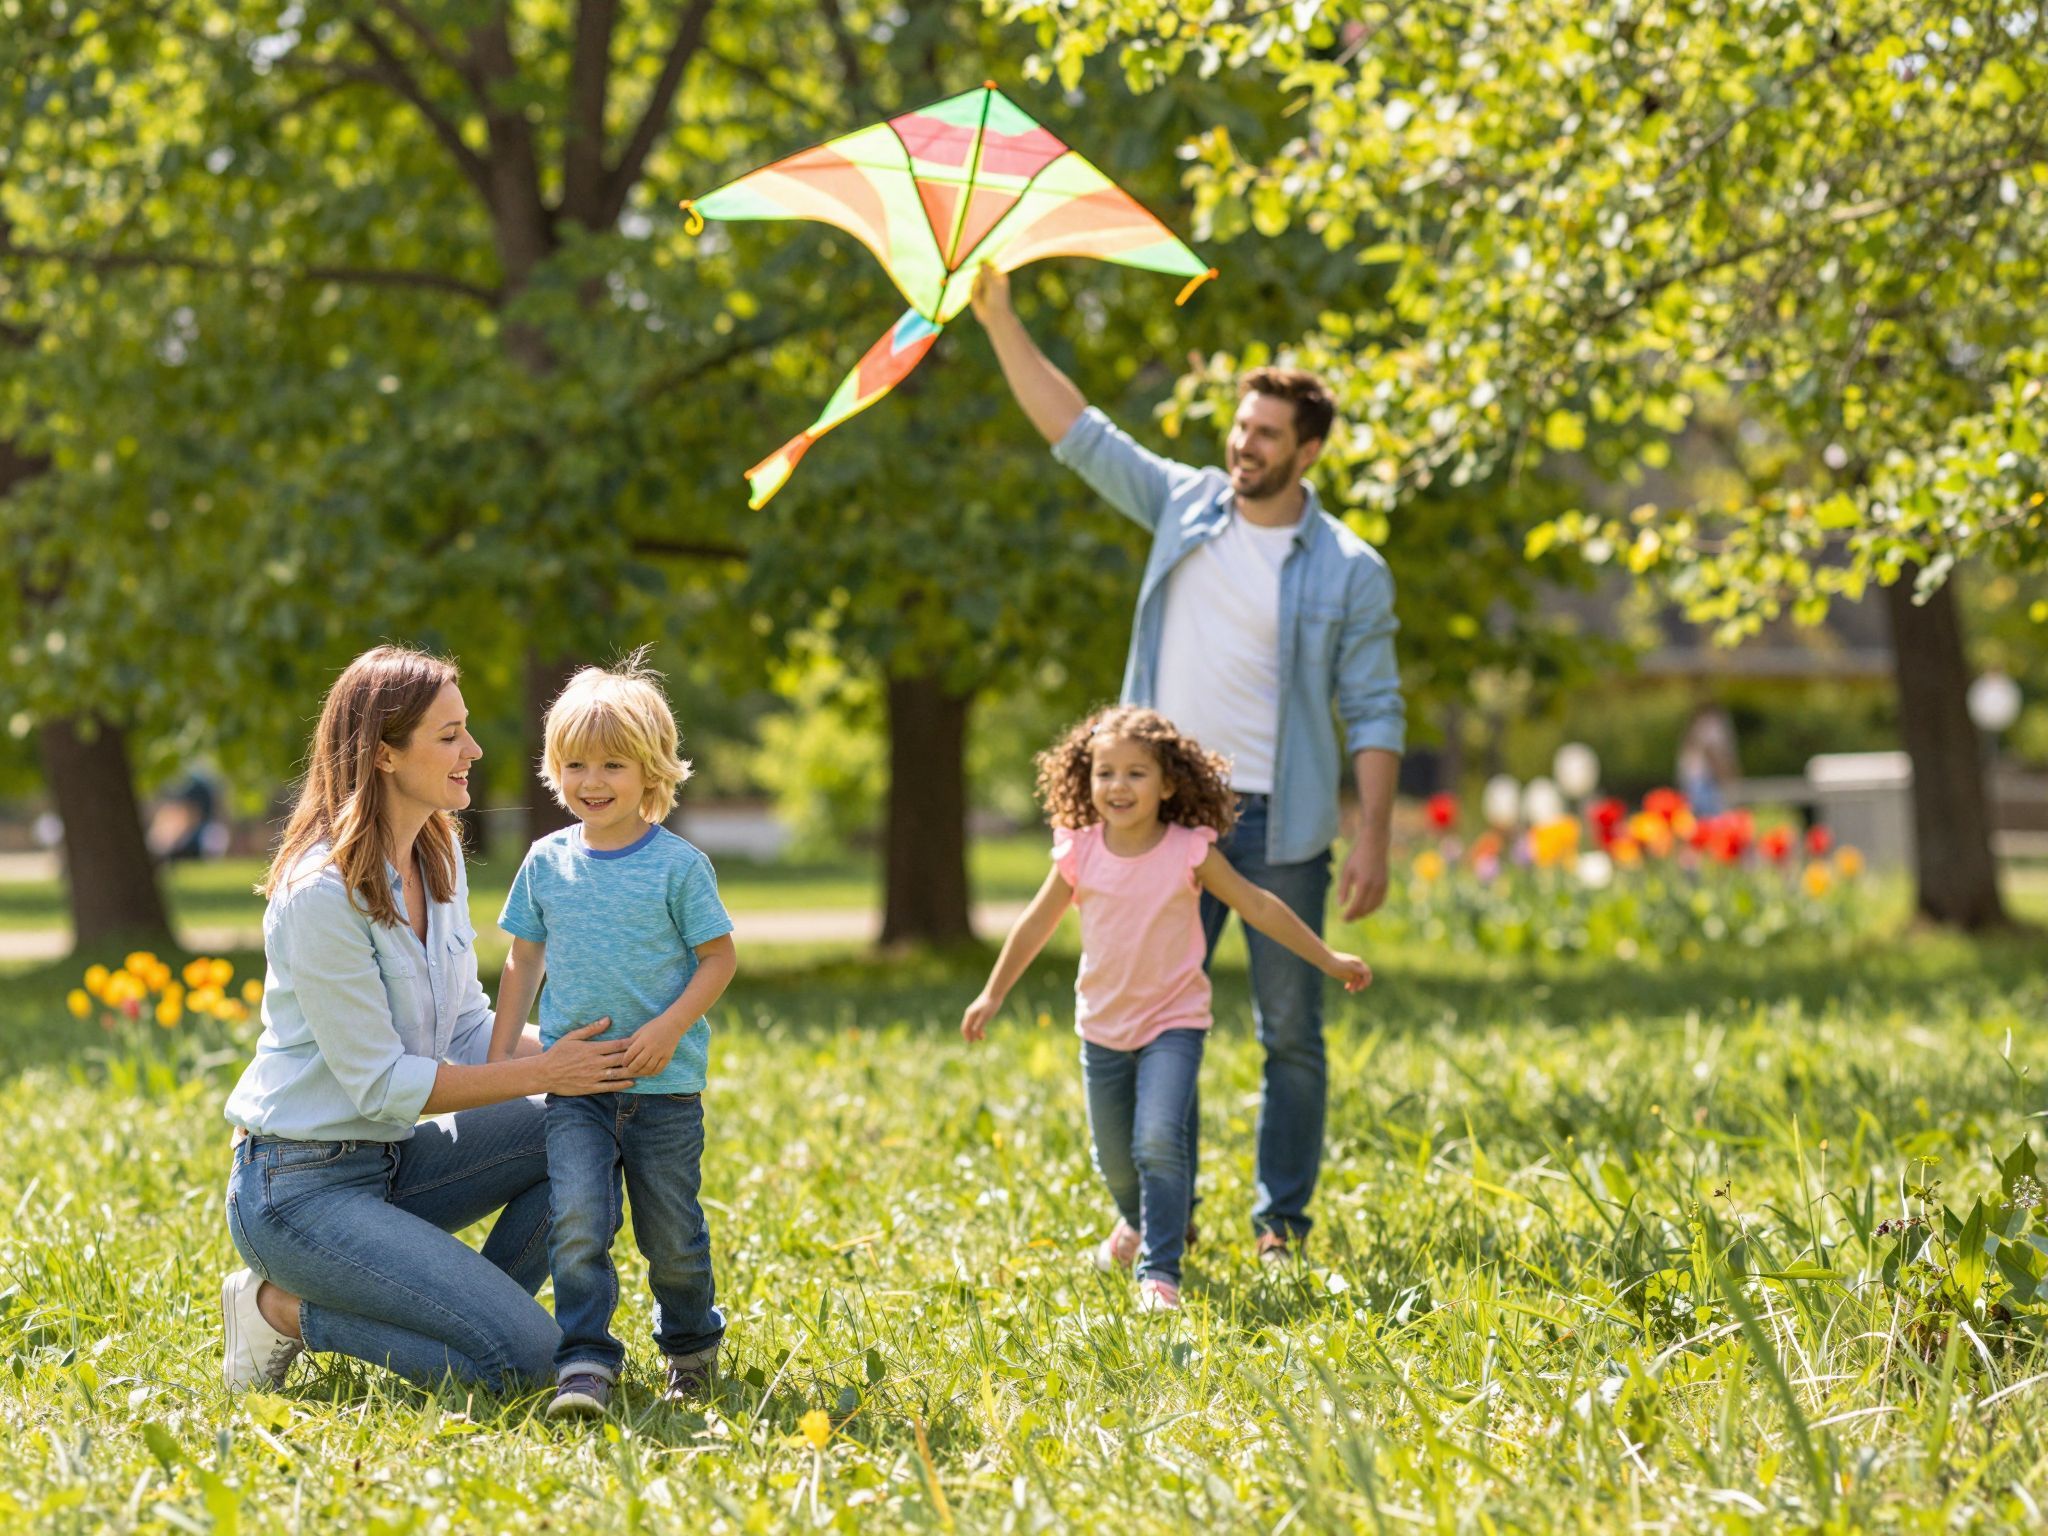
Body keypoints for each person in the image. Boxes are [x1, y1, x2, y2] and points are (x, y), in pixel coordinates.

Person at [971, 266, 1404, 1264]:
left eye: (1263, 434)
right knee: (1144, 1022)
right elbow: (1076, 432)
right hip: (1159, 820)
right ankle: (1157, 1216)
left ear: (1308, 449)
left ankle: (1279, 1224)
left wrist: (1372, 835)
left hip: (1279, 819)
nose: (1241, 446)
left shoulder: (1348, 568)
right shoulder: (1182, 506)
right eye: (1238, 427)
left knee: (1290, 1033)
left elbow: (1374, 707)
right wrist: (1001, 321)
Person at [222, 646, 635, 1393]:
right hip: (298, 1190)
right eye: (448, 736)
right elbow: (381, 1086)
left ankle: (466, 1316)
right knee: (535, 1368)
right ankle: (280, 1311)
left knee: (598, 1121)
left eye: (465, 730)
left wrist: (613, 1060)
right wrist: (545, 1072)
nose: (472, 750)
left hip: (397, 1163)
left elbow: (472, 1033)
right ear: (383, 753)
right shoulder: (319, 893)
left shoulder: (435, 855)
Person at [960, 707, 1371, 1312]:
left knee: (1157, 1139)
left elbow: (1258, 906)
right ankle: (1135, 1223)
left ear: (1169, 783)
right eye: (1105, 773)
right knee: (1115, 1160)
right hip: (1102, 1026)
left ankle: (1160, 1272)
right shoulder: (1079, 851)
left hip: (1173, 1023)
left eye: (1135, 773)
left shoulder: (1190, 851)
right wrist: (993, 992)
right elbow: (1034, 924)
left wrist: (1328, 957)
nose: (1118, 787)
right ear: (1086, 779)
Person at [491, 652, 738, 1419]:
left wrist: (669, 1028)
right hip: (579, 1090)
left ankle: (690, 1348)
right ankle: (586, 1362)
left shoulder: (679, 868)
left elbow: (718, 958)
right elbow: (521, 957)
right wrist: (503, 1060)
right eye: (573, 764)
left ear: (651, 768)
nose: (590, 781)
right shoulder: (545, 862)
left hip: (663, 1091)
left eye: (611, 764)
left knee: (674, 1238)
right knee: (578, 1224)